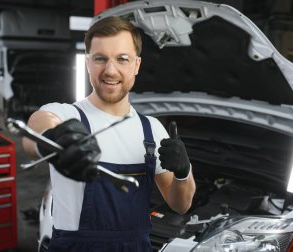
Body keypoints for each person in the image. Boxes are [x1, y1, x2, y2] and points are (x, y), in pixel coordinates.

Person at [23, 16, 196, 252]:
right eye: (100, 59)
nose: (110, 70)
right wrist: (52, 139)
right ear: (87, 63)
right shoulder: (65, 114)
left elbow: (181, 204)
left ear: (136, 64)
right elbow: (37, 127)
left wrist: (183, 173)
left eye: (122, 59)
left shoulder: (152, 129)